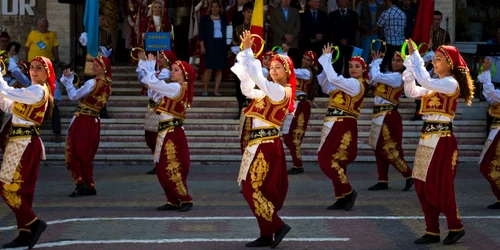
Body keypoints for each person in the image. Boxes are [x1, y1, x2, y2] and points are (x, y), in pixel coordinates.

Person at [403, 39, 474, 245]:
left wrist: (416, 56)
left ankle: (455, 225)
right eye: (433, 58)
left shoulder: (450, 83)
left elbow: (425, 82)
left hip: (442, 140)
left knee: (440, 185)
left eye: (438, 59)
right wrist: (409, 69)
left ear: (450, 64)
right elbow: (412, 91)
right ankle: (432, 230)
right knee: (421, 185)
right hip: (426, 140)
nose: (434, 62)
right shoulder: (435, 85)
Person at [231, 30, 292, 248]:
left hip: (266, 145)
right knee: (259, 190)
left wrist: (249, 51)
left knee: (250, 188)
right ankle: (267, 233)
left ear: (286, 71)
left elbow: (259, 79)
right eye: (272, 67)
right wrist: (245, 58)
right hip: (257, 145)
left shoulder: (282, 92)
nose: (273, 71)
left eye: (278, 67)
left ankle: (277, 225)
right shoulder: (268, 92)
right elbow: (248, 89)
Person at [0, 56, 56, 249]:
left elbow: (7, 91)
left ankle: (33, 223)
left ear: (46, 73)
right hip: (21, 143)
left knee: (6, 187)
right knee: (21, 191)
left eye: (39, 68)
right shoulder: (33, 92)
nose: (33, 71)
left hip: (23, 143)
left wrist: (0, 74)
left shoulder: (38, 90)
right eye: (32, 68)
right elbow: (7, 103)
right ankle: (24, 232)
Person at [138, 54, 195, 212]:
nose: (172, 72)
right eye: (172, 69)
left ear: (184, 74)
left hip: (172, 133)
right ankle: (172, 200)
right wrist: (146, 68)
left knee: (172, 166)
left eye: (176, 70)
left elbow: (152, 83)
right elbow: (152, 86)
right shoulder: (173, 88)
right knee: (161, 166)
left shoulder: (177, 87)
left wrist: (149, 66)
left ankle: (185, 198)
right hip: (165, 131)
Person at [317, 43, 368, 211]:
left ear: (363, 70)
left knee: (326, 160)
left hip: (343, 123)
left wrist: (326, 59)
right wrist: (326, 66)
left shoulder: (356, 85)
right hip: (333, 123)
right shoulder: (344, 83)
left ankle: (348, 191)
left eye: (357, 66)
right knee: (336, 161)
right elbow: (325, 85)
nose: (353, 69)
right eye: (351, 66)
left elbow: (333, 79)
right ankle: (340, 197)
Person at [60, 56, 112, 198]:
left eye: (97, 65)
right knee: (87, 155)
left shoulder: (92, 83)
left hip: (83, 119)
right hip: (94, 121)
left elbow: (74, 96)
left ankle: (80, 183)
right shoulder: (108, 85)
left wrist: (68, 82)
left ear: (104, 68)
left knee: (73, 153)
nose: (94, 67)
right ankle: (89, 184)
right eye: (93, 64)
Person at [367, 50, 413, 191]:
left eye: (398, 60)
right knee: (378, 148)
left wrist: (376, 62)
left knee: (389, 148)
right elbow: (372, 78)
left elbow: (375, 76)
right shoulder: (388, 75)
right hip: (379, 115)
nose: (394, 63)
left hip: (388, 115)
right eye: (393, 60)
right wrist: (375, 62)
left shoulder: (398, 77)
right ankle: (382, 180)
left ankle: (409, 174)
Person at [139, 50, 177, 175]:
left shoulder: (167, 73)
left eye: (162, 57)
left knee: (157, 137)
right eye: (159, 57)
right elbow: (143, 78)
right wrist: (144, 64)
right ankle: (158, 162)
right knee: (150, 137)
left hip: (160, 109)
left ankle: (161, 163)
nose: (159, 59)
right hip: (151, 108)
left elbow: (151, 79)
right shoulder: (158, 71)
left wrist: (146, 65)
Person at [283, 50, 318, 175]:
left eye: (308, 60)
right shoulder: (302, 72)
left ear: (311, 64)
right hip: (294, 104)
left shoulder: (306, 73)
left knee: (294, 136)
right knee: (287, 135)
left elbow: (291, 71)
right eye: (304, 58)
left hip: (301, 106)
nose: (304, 61)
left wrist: (285, 54)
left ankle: (298, 165)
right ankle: (297, 163)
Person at [477, 58, 500, 209]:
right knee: (488, 164)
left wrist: (485, 73)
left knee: (489, 164)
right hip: (496, 132)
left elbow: (490, 93)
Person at [366, 0, 406, 72]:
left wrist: (367, 34)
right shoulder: (402, 14)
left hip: (390, 44)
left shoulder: (386, 13)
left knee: (384, 65)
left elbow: (376, 26)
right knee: (400, 65)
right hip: (401, 45)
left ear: (388, 1)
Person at [199, 0, 228, 96]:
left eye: (216, 6)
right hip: (210, 44)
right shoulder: (205, 19)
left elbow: (227, 31)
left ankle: (216, 90)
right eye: (213, 6)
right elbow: (201, 34)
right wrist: (202, 45)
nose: (215, 8)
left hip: (221, 44)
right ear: (210, 8)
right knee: (209, 69)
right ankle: (205, 89)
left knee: (219, 68)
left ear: (219, 8)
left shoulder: (223, 18)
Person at [232, 2, 253, 119]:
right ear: (244, 13)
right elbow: (234, 45)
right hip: (241, 60)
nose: (250, 14)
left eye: (251, 12)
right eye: (248, 12)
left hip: (254, 61)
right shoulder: (238, 29)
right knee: (240, 86)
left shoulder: (257, 28)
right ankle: (240, 109)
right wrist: (243, 49)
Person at [327, 0, 358, 77]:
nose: (346, 1)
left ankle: (348, 83)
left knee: (350, 65)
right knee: (337, 66)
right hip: (337, 45)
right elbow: (331, 30)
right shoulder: (332, 15)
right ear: (338, 2)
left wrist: (347, 40)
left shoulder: (354, 14)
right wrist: (340, 40)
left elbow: (354, 30)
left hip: (349, 43)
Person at [270, 0, 301, 67]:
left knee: (292, 65)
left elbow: (298, 26)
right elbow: (273, 25)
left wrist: (291, 36)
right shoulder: (274, 11)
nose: (286, 0)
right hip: (279, 42)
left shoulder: (295, 11)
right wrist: (284, 35)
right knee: (279, 64)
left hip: (292, 42)